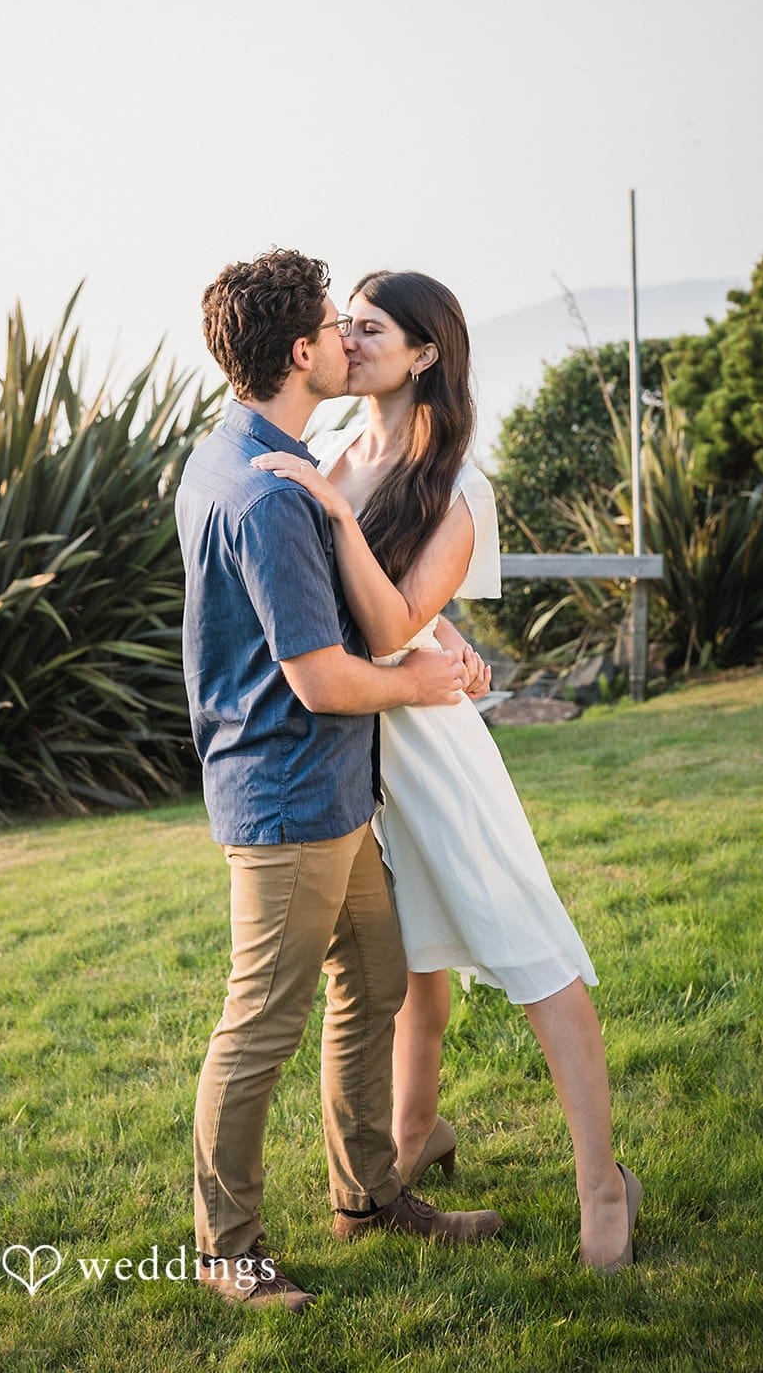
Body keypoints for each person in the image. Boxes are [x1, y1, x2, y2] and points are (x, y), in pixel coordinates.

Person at [252, 268, 642, 1273]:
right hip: (357, 748)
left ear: (424, 354)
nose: (349, 339)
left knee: (530, 953)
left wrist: (342, 526)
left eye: (371, 328)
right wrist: (447, 634)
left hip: (431, 751)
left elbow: (389, 618)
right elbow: (367, 612)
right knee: (409, 964)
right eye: (346, 324)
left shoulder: (459, 485)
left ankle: (603, 1182)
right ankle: (413, 1134)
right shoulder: (337, 452)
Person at [174, 249, 504, 1314]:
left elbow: (349, 610)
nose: (346, 338)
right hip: (287, 798)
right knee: (259, 1025)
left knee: (373, 974)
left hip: (328, 792)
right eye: (332, 323)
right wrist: (419, 679)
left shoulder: (235, 452)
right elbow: (319, 679)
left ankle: (368, 1196)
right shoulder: (269, 494)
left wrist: (431, 637)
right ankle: (227, 1251)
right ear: (298, 352)